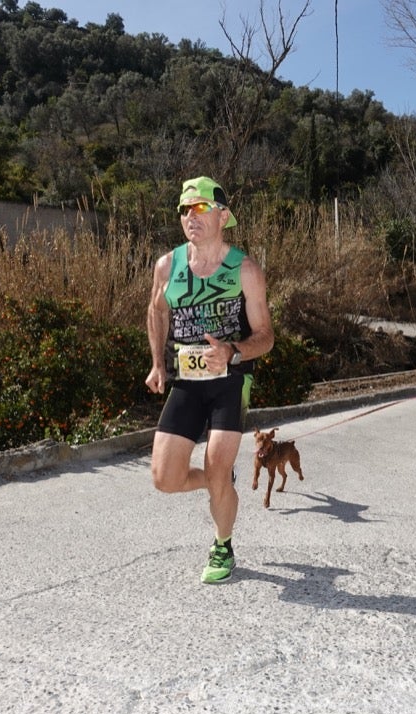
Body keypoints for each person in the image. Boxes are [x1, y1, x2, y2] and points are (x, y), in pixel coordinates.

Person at [145, 176, 275, 583]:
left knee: (217, 463)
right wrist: (157, 364)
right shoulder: (167, 265)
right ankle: (219, 485)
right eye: (184, 210)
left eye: (200, 209)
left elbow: (266, 337)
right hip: (186, 380)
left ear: (222, 215)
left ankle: (223, 544)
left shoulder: (245, 269)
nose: (190, 217)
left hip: (229, 381)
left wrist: (233, 351)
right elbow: (157, 311)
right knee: (164, 479)